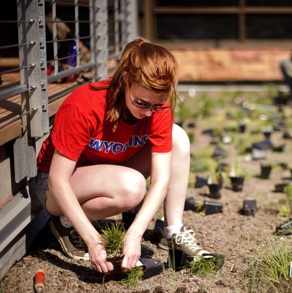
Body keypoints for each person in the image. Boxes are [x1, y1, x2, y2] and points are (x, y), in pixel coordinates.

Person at [33, 38, 211, 274]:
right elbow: (58, 180)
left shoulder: (156, 108)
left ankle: (174, 232)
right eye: (142, 102)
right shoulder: (85, 104)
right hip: (54, 185)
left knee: (177, 137)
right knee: (132, 187)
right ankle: (66, 222)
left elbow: (160, 180)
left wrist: (135, 234)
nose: (149, 112)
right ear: (126, 79)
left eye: (156, 106)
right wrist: (93, 239)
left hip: (108, 168)